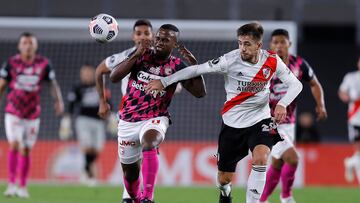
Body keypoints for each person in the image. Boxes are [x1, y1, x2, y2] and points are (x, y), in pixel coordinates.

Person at [145, 22, 303, 203]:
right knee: (223, 178)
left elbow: (296, 85)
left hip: (260, 120)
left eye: (247, 44)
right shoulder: (229, 60)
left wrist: (282, 104)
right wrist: (165, 82)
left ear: (259, 45)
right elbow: (197, 69)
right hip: (232, 125)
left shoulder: (272, 61)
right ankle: (225, 191)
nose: (242, 48)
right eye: (240, 43)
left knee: (260, 159)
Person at [109, 24, 206, 203]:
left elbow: (200, 93)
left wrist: (194, 67)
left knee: (150, 142)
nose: (160, 42)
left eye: (165, 40)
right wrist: (136, 54)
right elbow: (114, 77)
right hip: (128, 120)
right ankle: (137, 197)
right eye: (158, 38)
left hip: (156, 116)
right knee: (130, 177)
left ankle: (148, 197)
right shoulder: (141, 55)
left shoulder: (177, 66)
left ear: (174, 43)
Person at [259, 29, 327, 203]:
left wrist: (320, 105)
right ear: (270, 45)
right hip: (269, 122)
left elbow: (314, 84)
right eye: (275, 42)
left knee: (278, 163)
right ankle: (287, 197)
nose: (279, 45)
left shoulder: (299, 64)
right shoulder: (264, 65)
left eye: (283, 42)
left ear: (289, 43)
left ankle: (262, 199)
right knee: (293, 158)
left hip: (289, 123)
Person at [95, 19, 153, 203]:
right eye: (139, 33)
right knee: (130, 164)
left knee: (148, 152)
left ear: (152, 36)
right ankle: (130, 194)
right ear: (133, 36)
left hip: (152, 117)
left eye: (146, 33)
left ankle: (145, 197)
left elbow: (177, 82)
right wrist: (102, 102)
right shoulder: (123, 57)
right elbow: (99, 71)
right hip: (127, 117)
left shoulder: (161, 59)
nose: (143, 36)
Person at [0, 32, 64, 198]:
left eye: (30, 43)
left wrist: (59, 101)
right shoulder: (11, 63)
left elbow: (53, 84)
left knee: (26, 149)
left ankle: (22, 186)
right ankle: (11, 185)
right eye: (24, 43)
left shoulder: (44, 64)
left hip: (32, 114)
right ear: (19, 46)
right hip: (13, 111)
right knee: (14, 144)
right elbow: (2, 85)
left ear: (35, 46)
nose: (28, 46)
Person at [60, 64, 108, 186]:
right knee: (87, 147)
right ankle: (88, 174)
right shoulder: (77, 87)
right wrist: (67, 120)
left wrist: (112, 115)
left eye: (88, 72)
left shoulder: (99, 85)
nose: (86, 75)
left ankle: (85, 169)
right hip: (83, 120)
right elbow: (71, 105)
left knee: (96, 149)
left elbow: (107, 101)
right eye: (84, 72)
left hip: (98, 121)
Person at [339, 57, 360, 184]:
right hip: (356, 118)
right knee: (358, 149)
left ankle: (351, 162)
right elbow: (342, 92)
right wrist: (346, 97)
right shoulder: (351, 77)